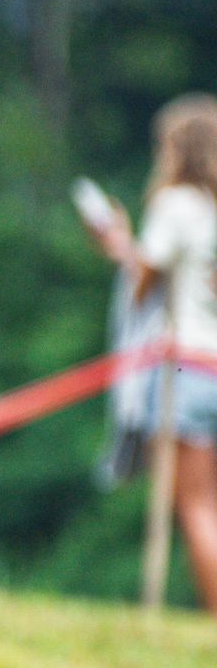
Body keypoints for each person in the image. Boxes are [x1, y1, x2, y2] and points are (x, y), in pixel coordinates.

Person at [77, 93, 217, 614]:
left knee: (196, 505)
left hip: (185, 367)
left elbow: (146, 282)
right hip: (214, 363)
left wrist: (119, 247)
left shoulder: (177, 203)